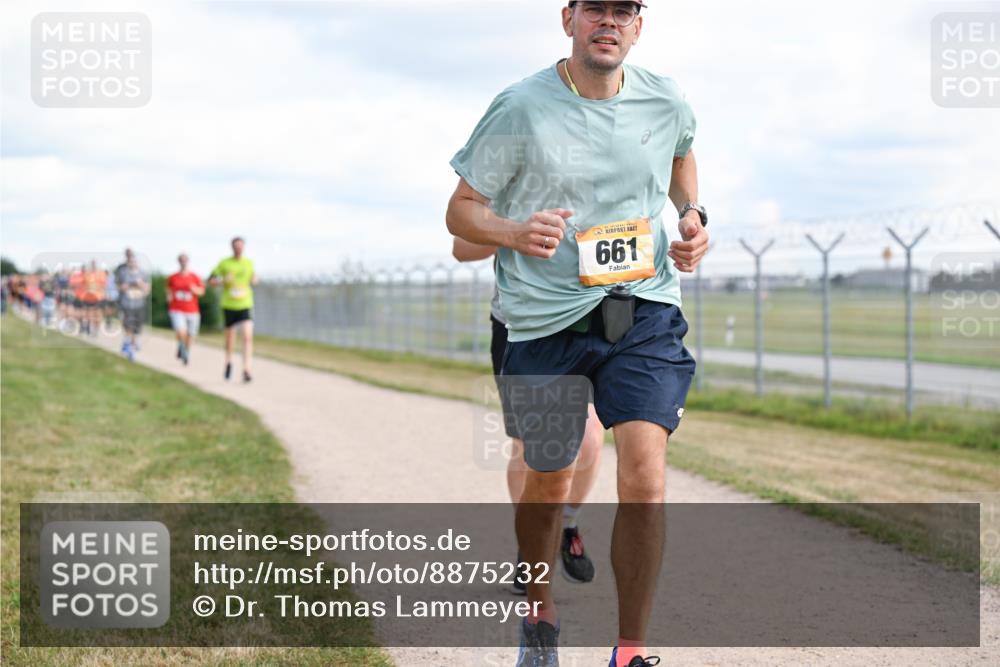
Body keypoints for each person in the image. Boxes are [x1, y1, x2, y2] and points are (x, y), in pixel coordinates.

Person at [445, 2, 710, 666]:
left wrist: (694, 215)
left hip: (642, 306)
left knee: (645, 471)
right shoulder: (520, 107)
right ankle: (539, 616)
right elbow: (460, 213)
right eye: (597, 8)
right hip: (543, 320)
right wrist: (514, 232)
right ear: (568, 18)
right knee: (549, 474)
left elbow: (681, 156)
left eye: (625, 11)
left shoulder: (666, 99)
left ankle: (630, 651)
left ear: (639, 24)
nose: (610, 21)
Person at [452, 237, 603, 592]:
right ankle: (531, 544)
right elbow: (462, 248)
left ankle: (566, 523)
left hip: (588, 318)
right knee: (526, 445)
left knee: (591, 433)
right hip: (519, 324)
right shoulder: (501, 182)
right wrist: (514, 231)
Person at [209, 237, 257, 382]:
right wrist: (223, 280)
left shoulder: (248, 263)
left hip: (245, 304)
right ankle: (228, 361)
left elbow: (253, 277)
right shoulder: (224, 263)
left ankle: (246, 369)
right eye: (236, 246)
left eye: (241, 246)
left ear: (244, 247)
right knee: (230, 338)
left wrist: (255, 279)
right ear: (232, 247)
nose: (238, 249)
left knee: (247, 336)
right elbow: (211, 281)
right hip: (229, 305)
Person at [166, 253, 205, 365]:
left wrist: (194, 289)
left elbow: (202, 292)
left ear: (188, 261)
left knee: (191, 334)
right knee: (181, 331)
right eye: (181, 260)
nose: (183, 262)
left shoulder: (194, 277)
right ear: (178, 262)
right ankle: (181, 347)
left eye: (185, 260)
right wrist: (169, 299)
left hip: (192, 310)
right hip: (177, 309)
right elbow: (168, 291)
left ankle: (185, 351)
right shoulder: (173, 277)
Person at [115, 249, 150, 361]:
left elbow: (147, 290)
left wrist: (141, 285)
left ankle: (130, 342)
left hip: (139, 304)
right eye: (130, 261)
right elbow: (117, 286)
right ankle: (130, 348)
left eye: (134, 261)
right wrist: (123, 287)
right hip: (126, 303)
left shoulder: (143, 274)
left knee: (137, 328)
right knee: (128, 325)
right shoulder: (122, 272)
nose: (132, 263)